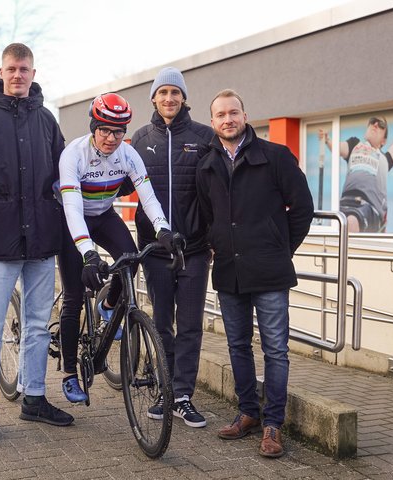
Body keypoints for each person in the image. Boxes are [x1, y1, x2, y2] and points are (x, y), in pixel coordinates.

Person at [0, 43, 73, 444]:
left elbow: (63, 173)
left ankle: (35, 398)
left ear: (33, 72)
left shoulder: (46, 120)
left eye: (24, 69)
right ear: (1, 71)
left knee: (39, 326)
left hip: (42, 241)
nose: (18, 75)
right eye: (12, 69)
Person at [196, 89, 314, 458]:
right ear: (212, 121)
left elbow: (303, 209)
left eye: (234, 113)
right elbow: (207, 215)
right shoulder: (206, 163)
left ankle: (273, 425)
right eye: (220, 115)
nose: (228, 119)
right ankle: (247, 412)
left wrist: (280, 249)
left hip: (270, 270)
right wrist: (217, 241)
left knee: (276, 349)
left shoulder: (275, 157)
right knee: (237, 346)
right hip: (230, 270)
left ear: (245, 116)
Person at [57, 92, 183, 403]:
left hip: (103, 215)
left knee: (130, 259)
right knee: (73, 297)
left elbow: (149, 197)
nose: (111, 138)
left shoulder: (127, 155)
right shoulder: (73, 155)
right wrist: (88, 254)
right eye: (105, 130)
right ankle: (70, 374)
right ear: (93, 126)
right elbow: (72, 208)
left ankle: (109, 306)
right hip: (72, 220)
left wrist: (163, 229)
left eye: (119, 131)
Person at [130, 67, 213, 428]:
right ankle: (166, 389)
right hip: (154, 248)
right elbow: (120, 180)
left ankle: (183, 396)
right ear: (153, 98)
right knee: (162, 322)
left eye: (175, 93)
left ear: (183, 98)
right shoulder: (139, 137)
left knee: (191, 324)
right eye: (162, 92)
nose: (169, 99)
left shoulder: (203, 136)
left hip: (194, 247)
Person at [319, 118, 393, 232]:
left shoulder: (385, 159)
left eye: (381, 125)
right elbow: (337, 148)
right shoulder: (354, 144)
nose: (376, 124)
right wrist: (327, 139)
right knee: (334, 225)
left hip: (369, 207)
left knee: (351, 222)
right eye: (373, 121)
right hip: (345, 202)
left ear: (383, 141)